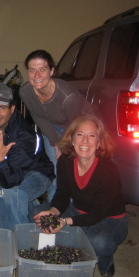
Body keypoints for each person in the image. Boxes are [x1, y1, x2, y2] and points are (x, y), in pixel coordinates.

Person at [33, 114, 128, 277]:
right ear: (72, 139)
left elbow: (98, 213)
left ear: (98, 143)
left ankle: (106, 259)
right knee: (37, 214)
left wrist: (64, 221)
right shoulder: (65, 161)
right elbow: (62, 193)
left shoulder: (108, 170)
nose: (85, 141)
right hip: (78, 211)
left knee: (99, 243)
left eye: (91, 136)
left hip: (109, 218)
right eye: (80, 134)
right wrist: (54, 212)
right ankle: (68, 244)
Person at [0, 83, 55, 231]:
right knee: (14, 201)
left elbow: (10, 182)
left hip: (37, 174)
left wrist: (0, 159)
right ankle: (30, 229)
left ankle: (11, 242)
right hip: (5, 172)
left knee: (8, 194)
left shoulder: (23, 135)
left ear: (12, 108)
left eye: (2, 107)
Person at [19, 49, 94, 200]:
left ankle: (76, 208)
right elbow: (39, 118)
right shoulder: (25, 91)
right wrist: (56, 142)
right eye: (32, 70)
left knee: (74, 168)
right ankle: (57, 210)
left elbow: (76, 126)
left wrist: (65, 145)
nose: (37, 76)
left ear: (52, 71)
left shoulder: (67, 97)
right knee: (58, 168)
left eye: (42, 69)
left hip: (81, 127)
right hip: (53, 127)